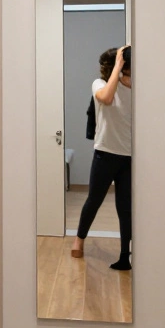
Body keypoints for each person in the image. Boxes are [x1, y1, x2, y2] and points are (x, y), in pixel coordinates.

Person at [72, 45, 133, 271]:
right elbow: (107, 99)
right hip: (105, 154)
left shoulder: (138, 88)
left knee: (125, 207)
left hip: (129, 157)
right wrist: (119, 66)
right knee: (94, 200)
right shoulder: (100, 85)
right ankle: (79, 240)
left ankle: (125, 254)